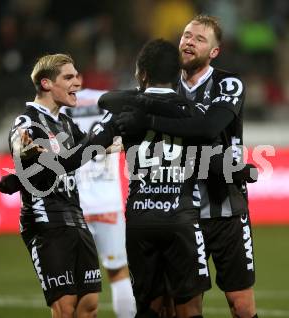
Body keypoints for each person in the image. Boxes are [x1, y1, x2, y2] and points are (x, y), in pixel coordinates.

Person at [111, 15, 259, 318]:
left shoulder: (227, 83)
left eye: (200, 39)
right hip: (177, 209)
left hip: (224, 207)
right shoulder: (165, 86)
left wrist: (149, 119)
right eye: (186, 35)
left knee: (240, 302)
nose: (189, 41)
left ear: (214, 52)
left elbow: (209, 127)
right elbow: (114, 100)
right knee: (179, 305)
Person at [6, 53, 118, 318]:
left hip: (76, 217)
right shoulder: (27, 121)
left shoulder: (67, 123)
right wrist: (25, 150)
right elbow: (20, 146)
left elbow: (98, 149)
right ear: (46, 84)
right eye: (68, 77)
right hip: (46, 220)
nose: (77, 83)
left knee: (89, 304)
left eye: (77, 76)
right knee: (65, 307)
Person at [68, 89, 136, 318]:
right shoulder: (108, 100)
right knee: (118, 272)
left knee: (78, 279)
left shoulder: (62, 107)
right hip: (108, 203)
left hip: (75, 206)